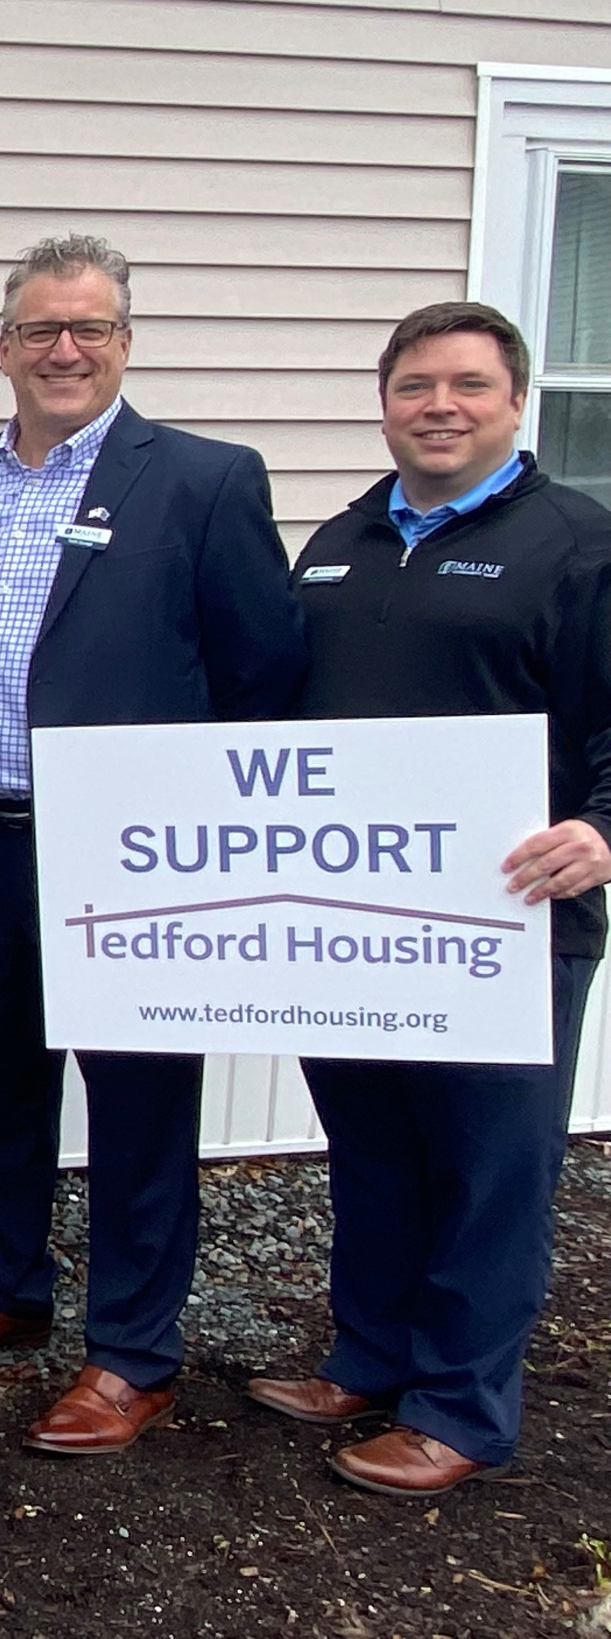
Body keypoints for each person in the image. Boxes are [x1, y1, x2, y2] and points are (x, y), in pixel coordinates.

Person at [0, 234, 307, 1454]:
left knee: (138, 1107)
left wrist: (209, 836)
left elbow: (264, 675)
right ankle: (7, 1292)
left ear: (124, 343)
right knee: (4, 1083)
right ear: (4, 348)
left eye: (89, 329)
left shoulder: (198, 479)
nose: (63, 350)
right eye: (40, 330)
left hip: (133, 852)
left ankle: (134, 1355)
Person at [250, 301, 611, 1496]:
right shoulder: (341, 542)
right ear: (385, 403)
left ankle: (459, 1409)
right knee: (373, 1145)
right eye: (414, 386)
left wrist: (601, 832)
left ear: (514, 403)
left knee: (489, 1165)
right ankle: (368, 1357)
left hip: (507, 918)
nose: (439, 406)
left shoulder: (575, 542)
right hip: (354, 923)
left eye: (465, 385)